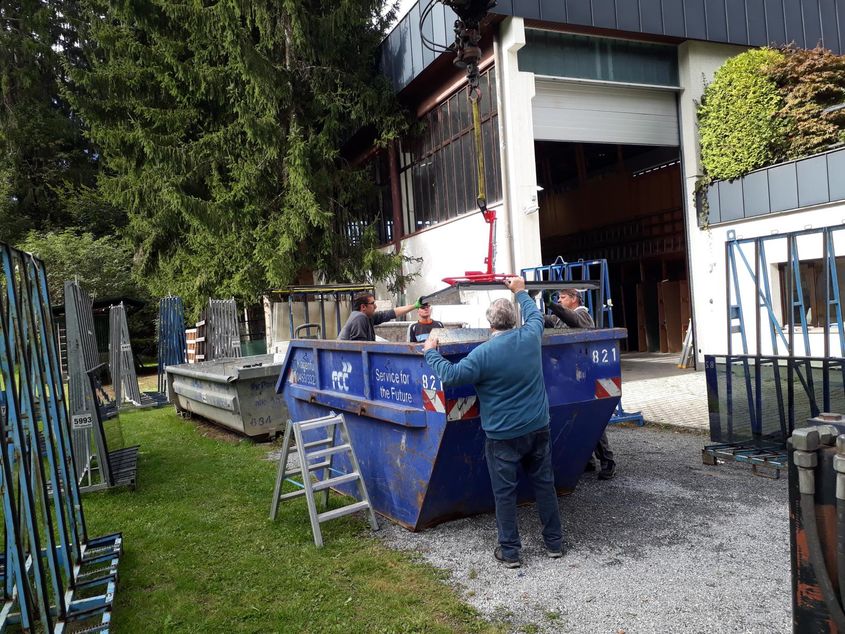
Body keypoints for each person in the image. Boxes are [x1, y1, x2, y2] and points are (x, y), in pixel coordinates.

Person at [423, 276, 563, 568]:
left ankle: (510, 552)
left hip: (503, 436)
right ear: (513, 320)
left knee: (505, 493)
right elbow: (535, 316)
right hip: (538, 427)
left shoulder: (483, 354)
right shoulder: (530, 336)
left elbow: (451, 376)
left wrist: (430, 353)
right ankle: (554, 544)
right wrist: (520, 291)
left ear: (490, 324)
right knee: (545, 486)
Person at [544, 288, 616, 481]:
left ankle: (607, 461)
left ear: (574, 299)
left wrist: (551, 305)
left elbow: (571, 319)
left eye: (562, 297)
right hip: (567, 375)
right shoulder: (560, 317)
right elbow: (548, 319)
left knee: (591, 420)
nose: (559, 301)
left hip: (584, 377)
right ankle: (587, 460)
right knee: (576, 420)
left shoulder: (582, 316)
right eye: (557, 298)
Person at [338, 293, 422, 342]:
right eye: (372, 303)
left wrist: (415, 306)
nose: (375, 306)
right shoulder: (359, 317)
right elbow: (360, 347)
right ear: (363, 307)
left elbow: (390, 313)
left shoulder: (367, 316)